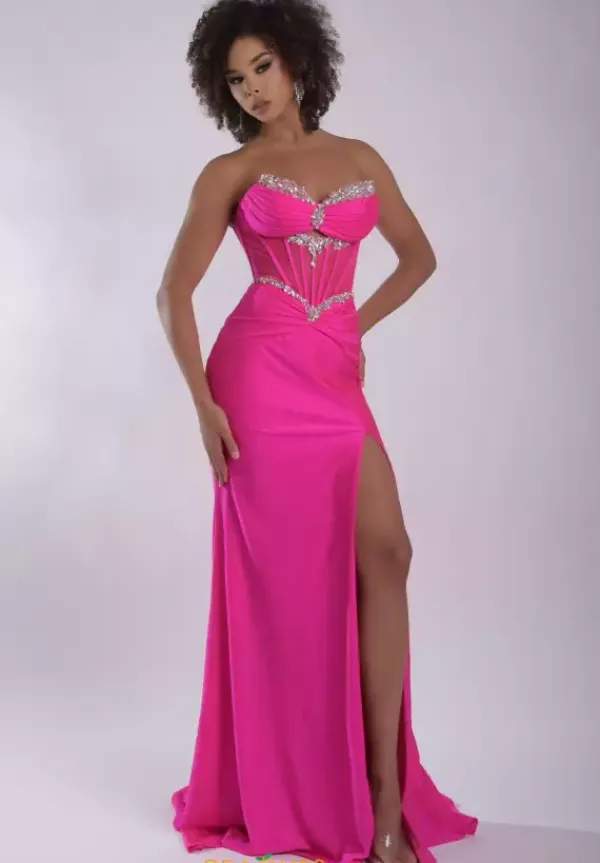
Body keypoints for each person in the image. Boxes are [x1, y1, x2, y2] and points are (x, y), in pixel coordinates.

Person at [156, 1, 478, 862]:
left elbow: (419, 257)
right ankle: (303, 786)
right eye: (235, 78)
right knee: (292, 588)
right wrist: (203, 405)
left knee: (388, 551)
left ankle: (384, 794)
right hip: (256, 377)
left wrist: (353, 325)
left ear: (298, 59)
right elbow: (172, 293)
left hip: (332, 378)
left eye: (262, 66)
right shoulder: (230, 171)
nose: (253, 89)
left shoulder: (360, 157)